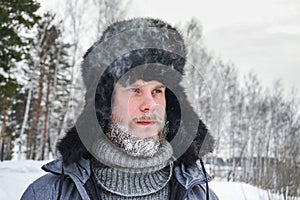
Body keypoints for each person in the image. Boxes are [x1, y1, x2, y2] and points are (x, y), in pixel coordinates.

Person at [21, 18, 219, 200]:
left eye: (157, 91)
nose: (150, 105)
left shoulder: (200, 195)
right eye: (135, 90)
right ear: (104, 103)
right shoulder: (48, 194)